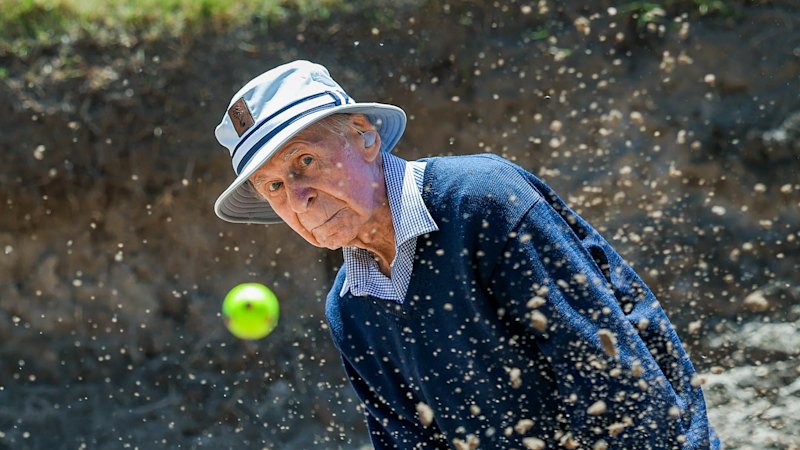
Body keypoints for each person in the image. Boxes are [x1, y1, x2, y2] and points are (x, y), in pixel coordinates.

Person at [213, 60, 721, 449]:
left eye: (306, 160)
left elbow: (609, 375)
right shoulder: (349, 309)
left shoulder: (481, 200)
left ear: (364, 136)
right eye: (274, 186)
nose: (298, 197)